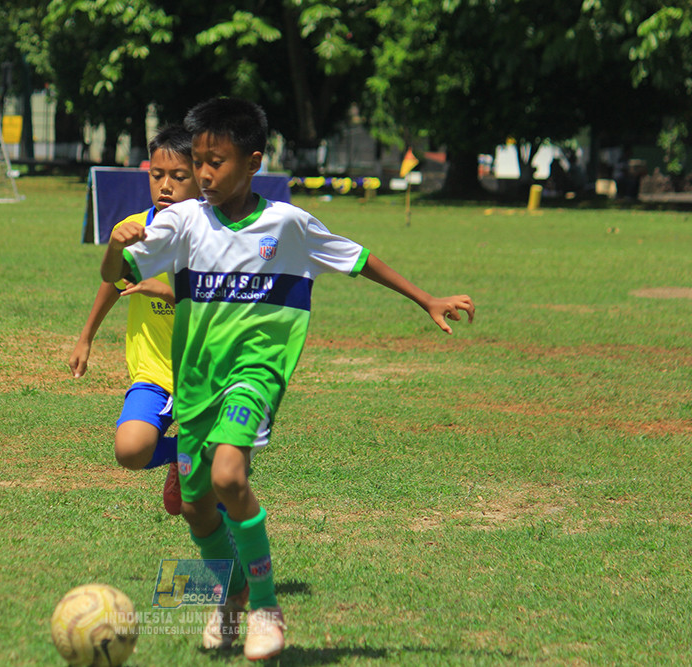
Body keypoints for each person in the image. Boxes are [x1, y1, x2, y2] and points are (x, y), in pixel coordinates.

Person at [101, 97, 475, 661]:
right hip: (196, 384)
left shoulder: (288, 224)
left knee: (229, 476)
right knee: (197, 508)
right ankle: (232, 595)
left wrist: (427, 299)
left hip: (256, 374)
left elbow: (359, 259)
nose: (204, 174)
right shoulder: (183, 222)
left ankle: (266, 608)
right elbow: (116, 274)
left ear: (253, 162)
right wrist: (114, 248)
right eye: (198, 162)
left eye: (216, 162)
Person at [69, 125, 200, 515]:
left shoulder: (214, 234)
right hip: (154, 372)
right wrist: (86, 337)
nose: (165, 186)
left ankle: (227, 537)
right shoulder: (133, 229)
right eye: (157, 175)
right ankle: (183, 453)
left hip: (206, 373)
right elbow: (113, 281)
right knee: (130, 450)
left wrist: (169, 293)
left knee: (215, 490)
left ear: (202, 178)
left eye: (179, 176)